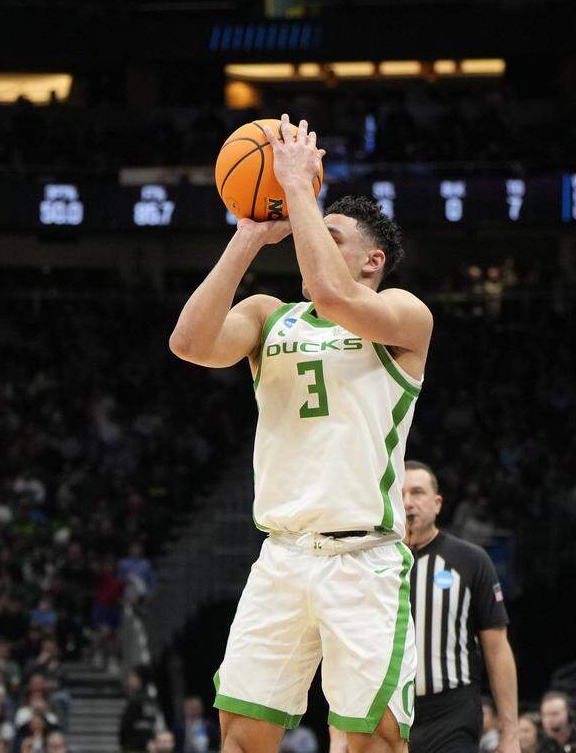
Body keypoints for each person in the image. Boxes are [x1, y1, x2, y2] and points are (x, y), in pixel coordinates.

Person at [171, 114, 429, 752]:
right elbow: (189, 344)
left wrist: (301, 194)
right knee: (239, 738)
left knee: (372, 742)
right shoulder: (268, 316)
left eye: (329, 232)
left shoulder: (402, 314)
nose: (309, 231)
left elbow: (332, 294)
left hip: (362, 559)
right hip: (282, 557)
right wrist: (246, 239)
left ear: (373, 260)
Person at [402, 461, 519, 753]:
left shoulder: (471, 560)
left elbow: (497, 648)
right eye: (399, 493)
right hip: (389, 713)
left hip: (452, 712)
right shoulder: (372, 564)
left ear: (437, 503)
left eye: (417, 492)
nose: (407, 503)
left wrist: (510, 733)